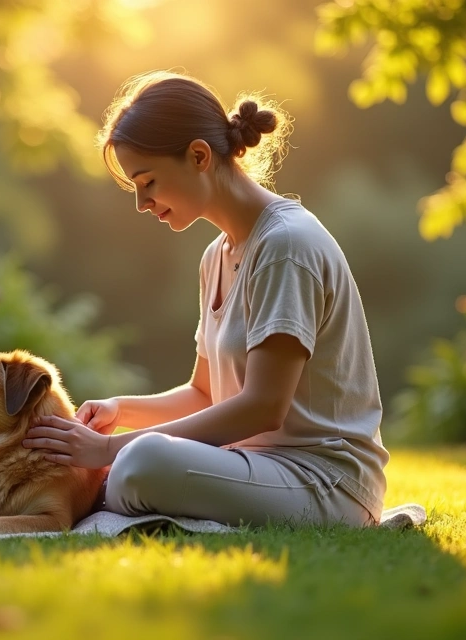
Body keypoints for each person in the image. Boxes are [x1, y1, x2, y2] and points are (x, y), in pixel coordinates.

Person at [22, 70, 389, 527]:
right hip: (257, 468)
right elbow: (204, 393)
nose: (141, 203)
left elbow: (263, 407)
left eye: (147, 181)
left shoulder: (285, 246)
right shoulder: (217, 255)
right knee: (139, 460)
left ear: (198, 156)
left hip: (325, 482)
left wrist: (110, 449)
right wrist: (121, 410)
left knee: (141, 462)